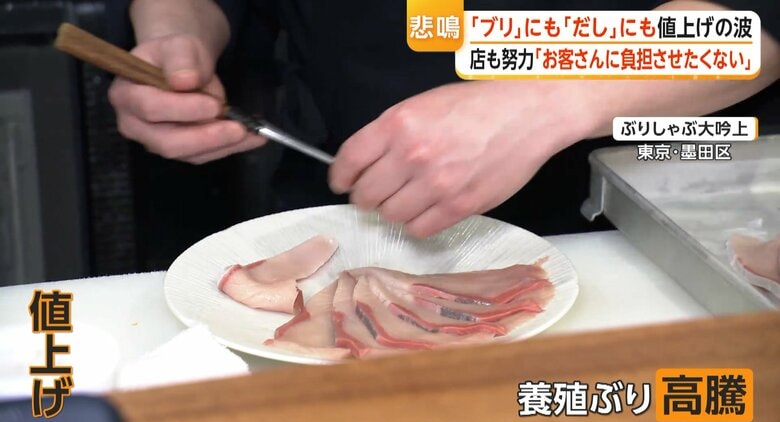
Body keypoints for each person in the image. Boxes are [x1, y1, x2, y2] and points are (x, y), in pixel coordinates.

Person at [109, 0, 780, 238]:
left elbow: (751, 26)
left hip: (655, 222)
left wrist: (549, 101)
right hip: (352, 214)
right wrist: (174, 34)